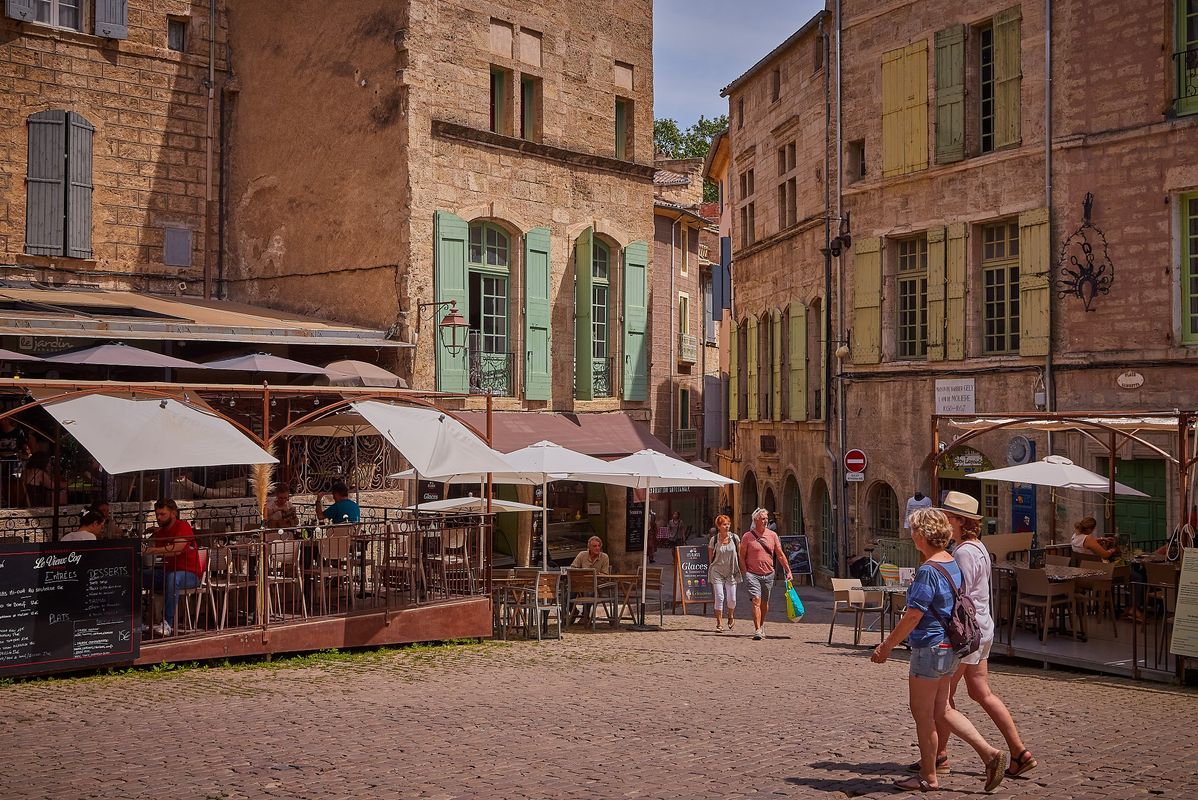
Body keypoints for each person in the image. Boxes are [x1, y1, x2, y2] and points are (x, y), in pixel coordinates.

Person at [871, 507, 1007, 793]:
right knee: (942, 709)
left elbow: (912, 616)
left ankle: (928, 775)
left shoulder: (928, 570)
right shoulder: (951, 563)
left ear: (922, 535)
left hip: (930, 648)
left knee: (923, 714)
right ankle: (990, 754)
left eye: (913, 530)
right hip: (950, 648)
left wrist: (886, 647)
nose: (911, 535)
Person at [918, 492, 1036, 780]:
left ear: (958, 521)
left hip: (966, 633)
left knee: (942, 700)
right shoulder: (978, 547)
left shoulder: (963, 552)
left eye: (947, 516)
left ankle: (939, 757)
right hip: (982, 629)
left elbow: (960, 597)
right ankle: (1019, 752)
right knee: (980, 692)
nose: (943, 520)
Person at [142, 499, 203, 637]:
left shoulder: (183, 526)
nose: (158, 517)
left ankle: (167, 623)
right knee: (139, 575)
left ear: (173, 513)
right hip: (167, 572)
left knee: (173, 578)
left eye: (162, 514)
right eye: (157, 514)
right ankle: (137, 620)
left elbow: (176, 549)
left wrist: (149, 550)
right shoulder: (161, 532)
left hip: (191, 575)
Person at [738, 507, 792, 641]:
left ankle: (761, 625)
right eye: (763, 518)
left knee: (764, 603)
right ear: (755, 520)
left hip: (768, 573)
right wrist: (745, 572)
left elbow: (779, 554)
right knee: (756, 599)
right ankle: (757, 630)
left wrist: (788, 570)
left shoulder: (772, 535)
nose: (766, 521)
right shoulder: (747, 536)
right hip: (752, 573)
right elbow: (742, 556)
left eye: (766, 518)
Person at [707, 514, 741, 632]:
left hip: (731, 571)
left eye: (728, 524)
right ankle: (719, 622)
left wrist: (741, 567)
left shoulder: (735, 538)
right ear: (719, 526)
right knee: (720, 596)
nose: (727, 526)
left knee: (732, 599)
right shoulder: (714, 540)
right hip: (717, 571)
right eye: (724, 524)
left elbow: (739, 554)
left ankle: (731, 615)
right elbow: (710, 557)